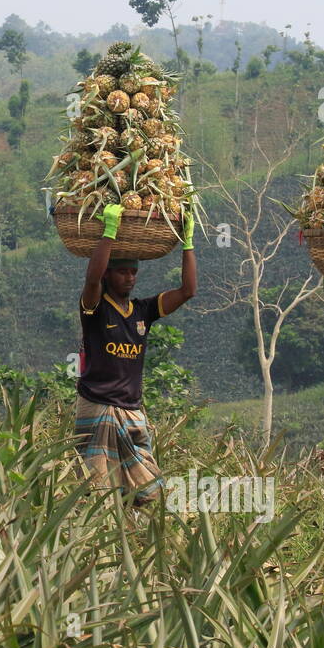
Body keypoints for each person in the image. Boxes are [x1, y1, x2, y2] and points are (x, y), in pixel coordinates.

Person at [74, 202, 197, 505]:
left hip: (131, 410)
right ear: (108, 276)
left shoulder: (143, 310)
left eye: (133, 272)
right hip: (98, 407)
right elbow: (91, 279)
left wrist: (188, 243)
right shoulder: (95, 307)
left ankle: (133, 538)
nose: (129, 278)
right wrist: (109, 233)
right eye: (121, 272)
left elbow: (187, 291)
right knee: (96, 492)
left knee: (148, 491)